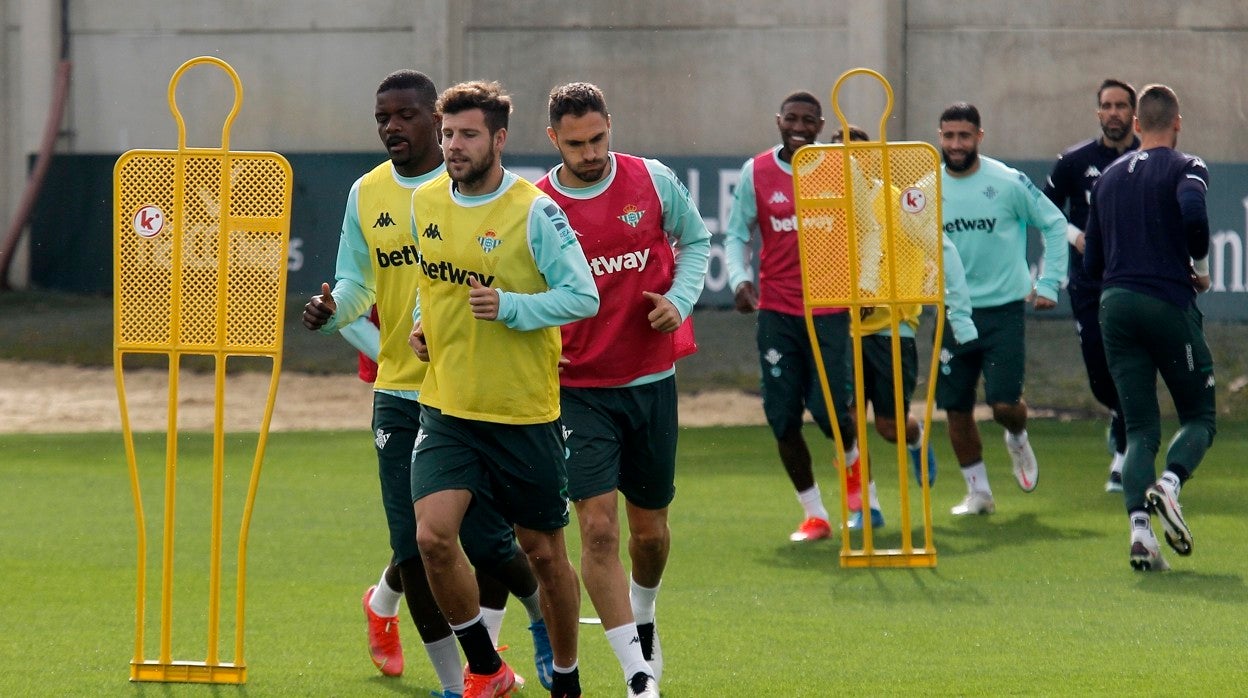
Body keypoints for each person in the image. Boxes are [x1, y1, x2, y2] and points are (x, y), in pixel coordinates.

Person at [300, 70, 553, 697]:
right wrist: (336, 311)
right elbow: (356, 284)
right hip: (401, 392)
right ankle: (463, 681)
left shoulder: (472, 189)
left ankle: (540, 618)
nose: (392, 126)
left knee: (492, 542)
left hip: (474, 390)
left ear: (437, 125)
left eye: (406, 115)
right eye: (382, 116)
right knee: (417, 552)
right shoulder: (366, 193)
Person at [407, 79, 599, 698]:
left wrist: (511, 304)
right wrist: (420, 323)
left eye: (467, 134)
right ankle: (488, 669)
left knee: (543, 554)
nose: (453, 145)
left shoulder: (535, 211)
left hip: (522, 414)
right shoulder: (427, 202)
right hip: (447, 407)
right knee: (434, 539)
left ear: (498, 139)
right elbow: (430, 282)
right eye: (447, 134)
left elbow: (582, 295)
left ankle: (566, 680)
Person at [534, 82, 709, 698]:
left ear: (611, 125)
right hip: (576, 389)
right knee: (599, 530)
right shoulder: (537, 207)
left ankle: (645, 609)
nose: (589, 153)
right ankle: (638, 676)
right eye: (575, 144)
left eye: (598, 138)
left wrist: (680, 302)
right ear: (552, 139)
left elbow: (696, 243)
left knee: (651, 533)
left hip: (652, 381)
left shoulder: (652, 180)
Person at [1083, 83, 1215, 572]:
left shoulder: (1108, 178)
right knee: (1200, 417)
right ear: (1176, 122)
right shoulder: (1187, 166)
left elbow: (1092, 261)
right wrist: (1197, 265)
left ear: (1136, 124)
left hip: (1114, 306)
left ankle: (1140, 533)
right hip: (1165, 303)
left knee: (1139, 430)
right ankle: (1171, 485)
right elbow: (1195, 215)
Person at [724, 91, 863, 543]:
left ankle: (860, 494)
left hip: (830, 310)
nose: (798, 126)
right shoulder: (757, 171)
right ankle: (816, 515)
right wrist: (740, 279)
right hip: (779, 312)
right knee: (782, 418)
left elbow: (872, 222)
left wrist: (868, 282)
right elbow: (736, 234)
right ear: (778, 121)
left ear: (821, 126)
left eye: (808, 120)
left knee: (829, 415)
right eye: (791, 118)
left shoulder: (840, 167)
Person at [829, 125, 979, 529]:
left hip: (891, 325)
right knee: (845, 423)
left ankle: (915, 439)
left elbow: (933, 249)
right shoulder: (824, 203)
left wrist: (930, 292)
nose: (851, 161)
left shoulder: (895, 200)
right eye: (841, 154)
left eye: (858, 153)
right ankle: (866, 506)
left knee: (888, 425)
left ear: (872, 157)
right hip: (839, 329)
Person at [935, 102, 1068, 516]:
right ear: (940, 137)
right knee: (955, 407)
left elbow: (1055, 222)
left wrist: (1048, 282)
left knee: (1004, 405)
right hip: (952, 313)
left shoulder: (1008, 182)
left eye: (964, 136)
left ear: (979, 136)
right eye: (948, 136)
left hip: (1003, 310)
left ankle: (1017, 437)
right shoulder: (923, 189)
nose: (956, 145)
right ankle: (979, 493)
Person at [1043, 79, 1140, 494]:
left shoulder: (1151, 157)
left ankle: (1124, 456)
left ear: (1134, 114)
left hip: (1138, 281)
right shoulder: (1074, 160)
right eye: (1107, 106)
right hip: (1089, 283)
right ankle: (1118, 416)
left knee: (1133, 364)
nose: (1114, 113)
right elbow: (1044, 208)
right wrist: (1074, 235)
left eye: (1121, 106)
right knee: (1101, 374)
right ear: (1098, 112)